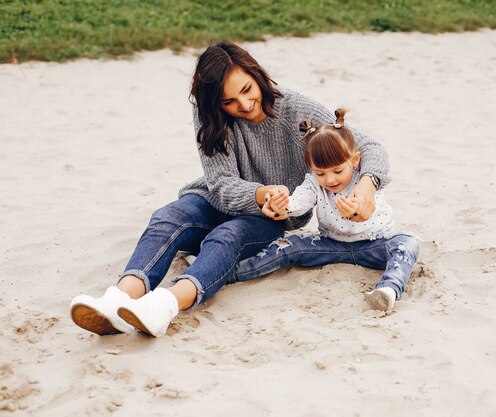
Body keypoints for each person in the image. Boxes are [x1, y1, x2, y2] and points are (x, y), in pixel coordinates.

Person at [69, 40, 391, 337]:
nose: (246, 104)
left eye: (248, 89)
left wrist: (366, 186)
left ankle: (162, 307)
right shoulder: (208, 116)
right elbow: (221, 185)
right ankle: (119, 300)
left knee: (227, 237)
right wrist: (259, 193)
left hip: (270, 218)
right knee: (168, 216)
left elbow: (370, 147)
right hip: (215, 200)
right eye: (230, 101)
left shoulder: (297, 111)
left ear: (256, 74)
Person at [234, 109, 419, 311]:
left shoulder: (365, 180)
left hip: (374, 244)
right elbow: (300, 200)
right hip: (330, 244)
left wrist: (357, 208)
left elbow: (372, 209)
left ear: (355, 160)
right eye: (320, 172)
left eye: (338, 171)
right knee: (289, 243)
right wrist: (284, 205)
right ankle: (234, 272)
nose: (330, 180)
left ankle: (388, 290)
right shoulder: (314, 183)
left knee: (407, 243)